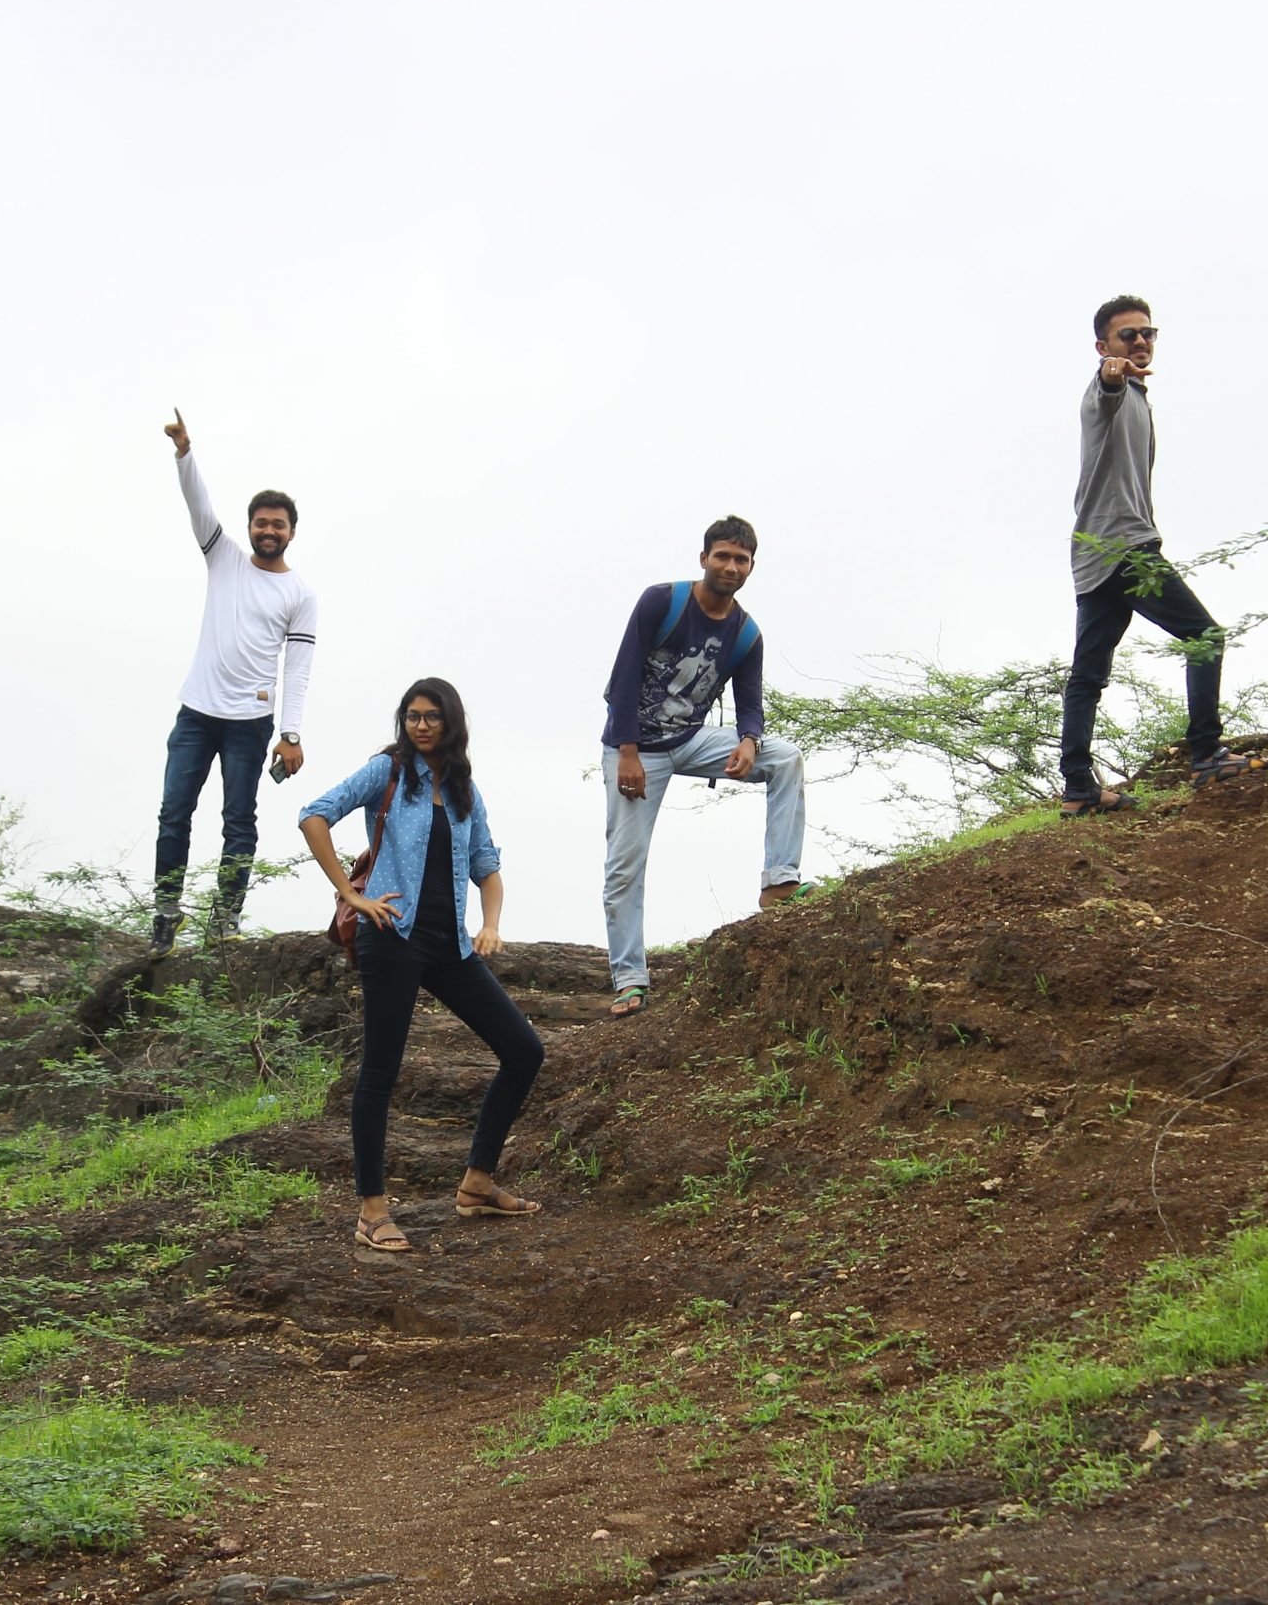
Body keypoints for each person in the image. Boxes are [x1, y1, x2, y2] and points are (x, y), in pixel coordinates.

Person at [300, 679, 544, 1254]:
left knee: (524, 1050)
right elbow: (314, 815)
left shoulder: (463, 789)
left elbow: (487, 863)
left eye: (432, 716)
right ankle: (371, 1209)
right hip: (391, 934)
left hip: (450, 944)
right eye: (412, 716)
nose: (421, 725)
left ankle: (478, 1182)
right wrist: (352, 895)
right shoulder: (386, 771)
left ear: (451, 722)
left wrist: (490, 924)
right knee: (380, 1070)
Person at [1058, 295, 1267, 817]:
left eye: (1149, 333)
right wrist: (1111, 373)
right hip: (1126, 549)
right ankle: (1206, 753)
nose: (1141, 342)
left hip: (1092, 556)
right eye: (1129, 335)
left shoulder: (1137, 396)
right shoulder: (1106, 391)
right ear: (1104, 346)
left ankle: (1079, 787)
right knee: (1205, 637)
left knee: (1087, 675)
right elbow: (1106, 387)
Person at [600, 517, 804, 1020]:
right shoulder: (662, 602)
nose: (731, 566)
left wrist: (750, 740)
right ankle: (629, 979)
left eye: (741, 559)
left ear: (752, 566)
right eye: (723, 556)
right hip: (635, 748)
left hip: (692, 740)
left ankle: (779, 880)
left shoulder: (746, 633)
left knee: (786, 757)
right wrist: (628, 751)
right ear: (704, 558)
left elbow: (749, 702)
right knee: (626, 865)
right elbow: (624, 676)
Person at [154, 409, 318, 952]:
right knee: (175, 812)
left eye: (278, 524)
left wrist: (290, 733)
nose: (269, 530)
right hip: (198, 711)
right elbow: (197, 505)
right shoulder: (223, 558)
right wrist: (184, 452)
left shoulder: (300, 595)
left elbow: (297, 667)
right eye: (261, 522)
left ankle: (224, 918)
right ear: (249, 527)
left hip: (250, 722)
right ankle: (165, 911)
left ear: (291, 532)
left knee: (238, 821)